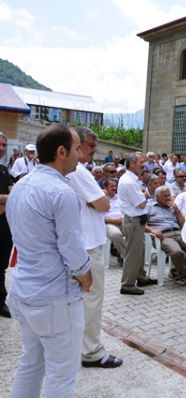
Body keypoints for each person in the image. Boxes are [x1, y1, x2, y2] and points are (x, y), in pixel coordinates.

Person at [7, 124, 92, 398]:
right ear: (61, 151)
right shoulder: (61, 192)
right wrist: (86, 275)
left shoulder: (21, 185)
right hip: (54, 300)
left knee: (31, 364)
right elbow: (72, 249)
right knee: (61, 376)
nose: (81, 155)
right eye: (78, 148)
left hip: (24, 291)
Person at [66, 126, 122, 369]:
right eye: (89, 145)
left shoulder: (71, 171)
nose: (93, 150)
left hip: (82, 241)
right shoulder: (78, 171)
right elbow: (104, 204)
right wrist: (99, 198)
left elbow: (98, 201)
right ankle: (91, 351)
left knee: (80, 300)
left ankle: (78, 344)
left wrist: (97, 199)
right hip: (88, 244)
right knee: (91, 298)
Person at [118, 152, 155, 295]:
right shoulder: (129, 181)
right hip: (133, 221)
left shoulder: (132, 179)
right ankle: (127, 285)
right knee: (132, 254)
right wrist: (145, 194)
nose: (143, 165)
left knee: (138, 252)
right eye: (141, 162)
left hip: (136, 221)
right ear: (132, 164)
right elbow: (140, 204)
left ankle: (140, 277)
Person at [145, 186, 186, 285]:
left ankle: (176, 271)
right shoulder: (149, 207)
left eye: (169, 195)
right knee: (177, 252)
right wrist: (153, 230)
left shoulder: (172, 207)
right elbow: (141, 225)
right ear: (157, 197)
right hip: (163, 235)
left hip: (179, 233)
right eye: (165, 196)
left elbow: (183, 224)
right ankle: (183, 276)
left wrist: (177, 209)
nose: (168, 198)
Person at [0, 132, 12, 318]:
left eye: (4, 145)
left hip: (3, 225)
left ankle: (1, 301)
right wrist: (11, 199)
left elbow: (12, 188)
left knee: (1, 265)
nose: (2, 148)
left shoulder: (3, 170)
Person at [103, 178, 126, 264]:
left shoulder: (120, 198)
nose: (114, 188)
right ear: (105, 187)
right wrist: (114, 221)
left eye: (115, 186)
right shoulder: (101, 200)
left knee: (135, 231)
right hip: (110, 224)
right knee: (115, 234)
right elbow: (100, 218)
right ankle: (127, 257)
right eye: (111, 186)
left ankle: (122, 253)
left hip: (124, 222)